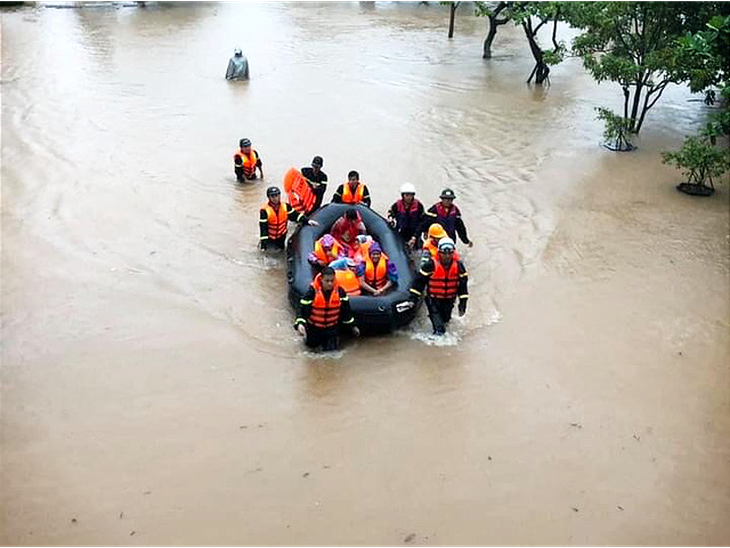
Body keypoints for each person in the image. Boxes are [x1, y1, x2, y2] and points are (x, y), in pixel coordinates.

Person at [409, 237, 468, 336]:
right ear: (439, 252)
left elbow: (463, 287)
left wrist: (463, 303)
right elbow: (419, 283)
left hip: (449, 300)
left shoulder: (459, 266)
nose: (447, 256)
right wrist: (413, 299)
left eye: (450, 253)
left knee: (446, 321)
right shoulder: (430, 265)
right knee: (440, 330)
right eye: (444, 253)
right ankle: (436, 346)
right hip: (433, 300)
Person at [295, 266, 360, 351]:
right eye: (327, 281)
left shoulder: (340, 292)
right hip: (314, 329)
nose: (330, 283)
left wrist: (352, 326)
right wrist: (300, 324)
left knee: (332, 354)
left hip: (331, 330)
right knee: (310, 352)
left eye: (332, 281)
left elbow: (346, 311)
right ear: (321, 279)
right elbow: (302, 308)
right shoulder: (312, 292)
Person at [259, 186, 318, 250]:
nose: (275, 198)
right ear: (269, 197)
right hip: (270, 239)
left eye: (277, 195)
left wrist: (307, 221)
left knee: (281, 251)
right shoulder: (264, 211)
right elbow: (263, 229)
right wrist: (263, 246)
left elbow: (295, 216)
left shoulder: (285, 206)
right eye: (272, 196)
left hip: (281, 237)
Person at [387, 182, 425, 250]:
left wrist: (415, 237)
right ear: (403, 195)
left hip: (415, 236)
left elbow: (421, 222)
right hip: (401, 235)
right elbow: (390, 213)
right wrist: (391, 219)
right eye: (407, 195)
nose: (409, 197)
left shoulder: (419, 206)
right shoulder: (397, 205)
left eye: (410, 195)